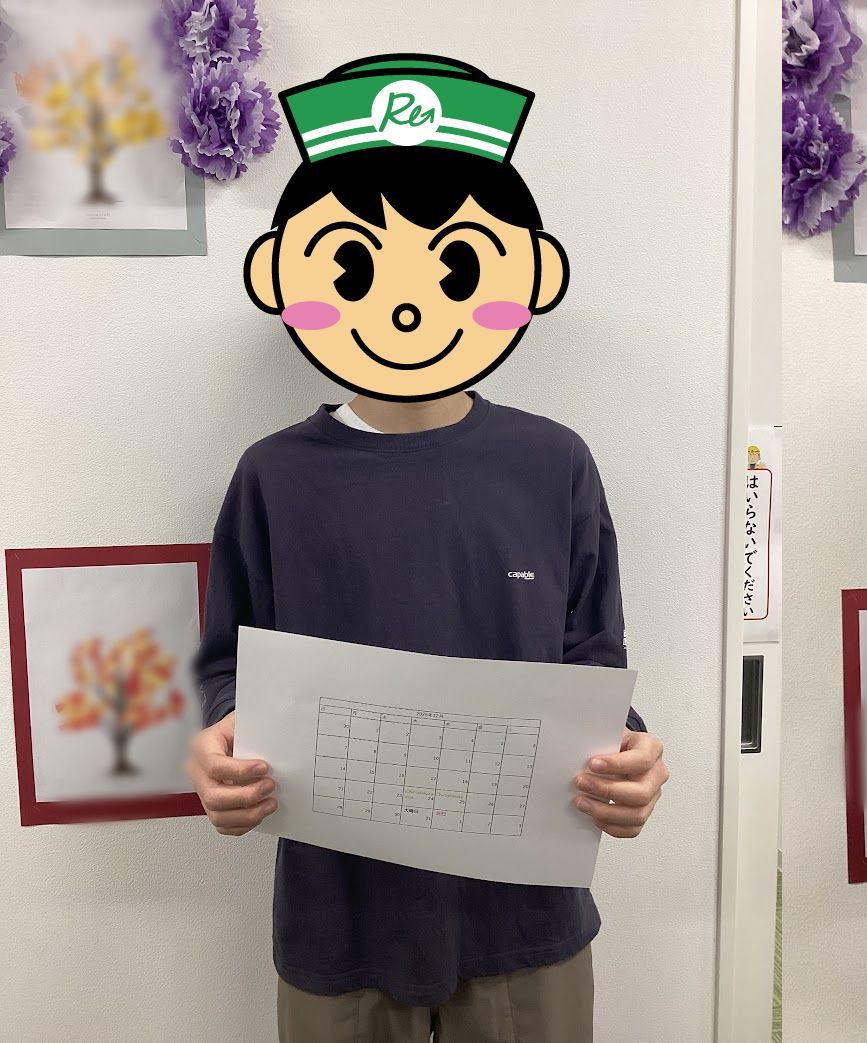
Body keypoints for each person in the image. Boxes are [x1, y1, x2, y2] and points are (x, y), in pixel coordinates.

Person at [185, 54, 668, 1042]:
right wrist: (222, 740)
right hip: (337, 910)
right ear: (284, 276)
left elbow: (590, 655)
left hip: (525, 910)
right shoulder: (274, 476)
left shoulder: (553, 463)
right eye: (354, 267)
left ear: (528, 274)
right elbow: (228, 661)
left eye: (455, 267)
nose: (407, 307)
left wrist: (627, 752)